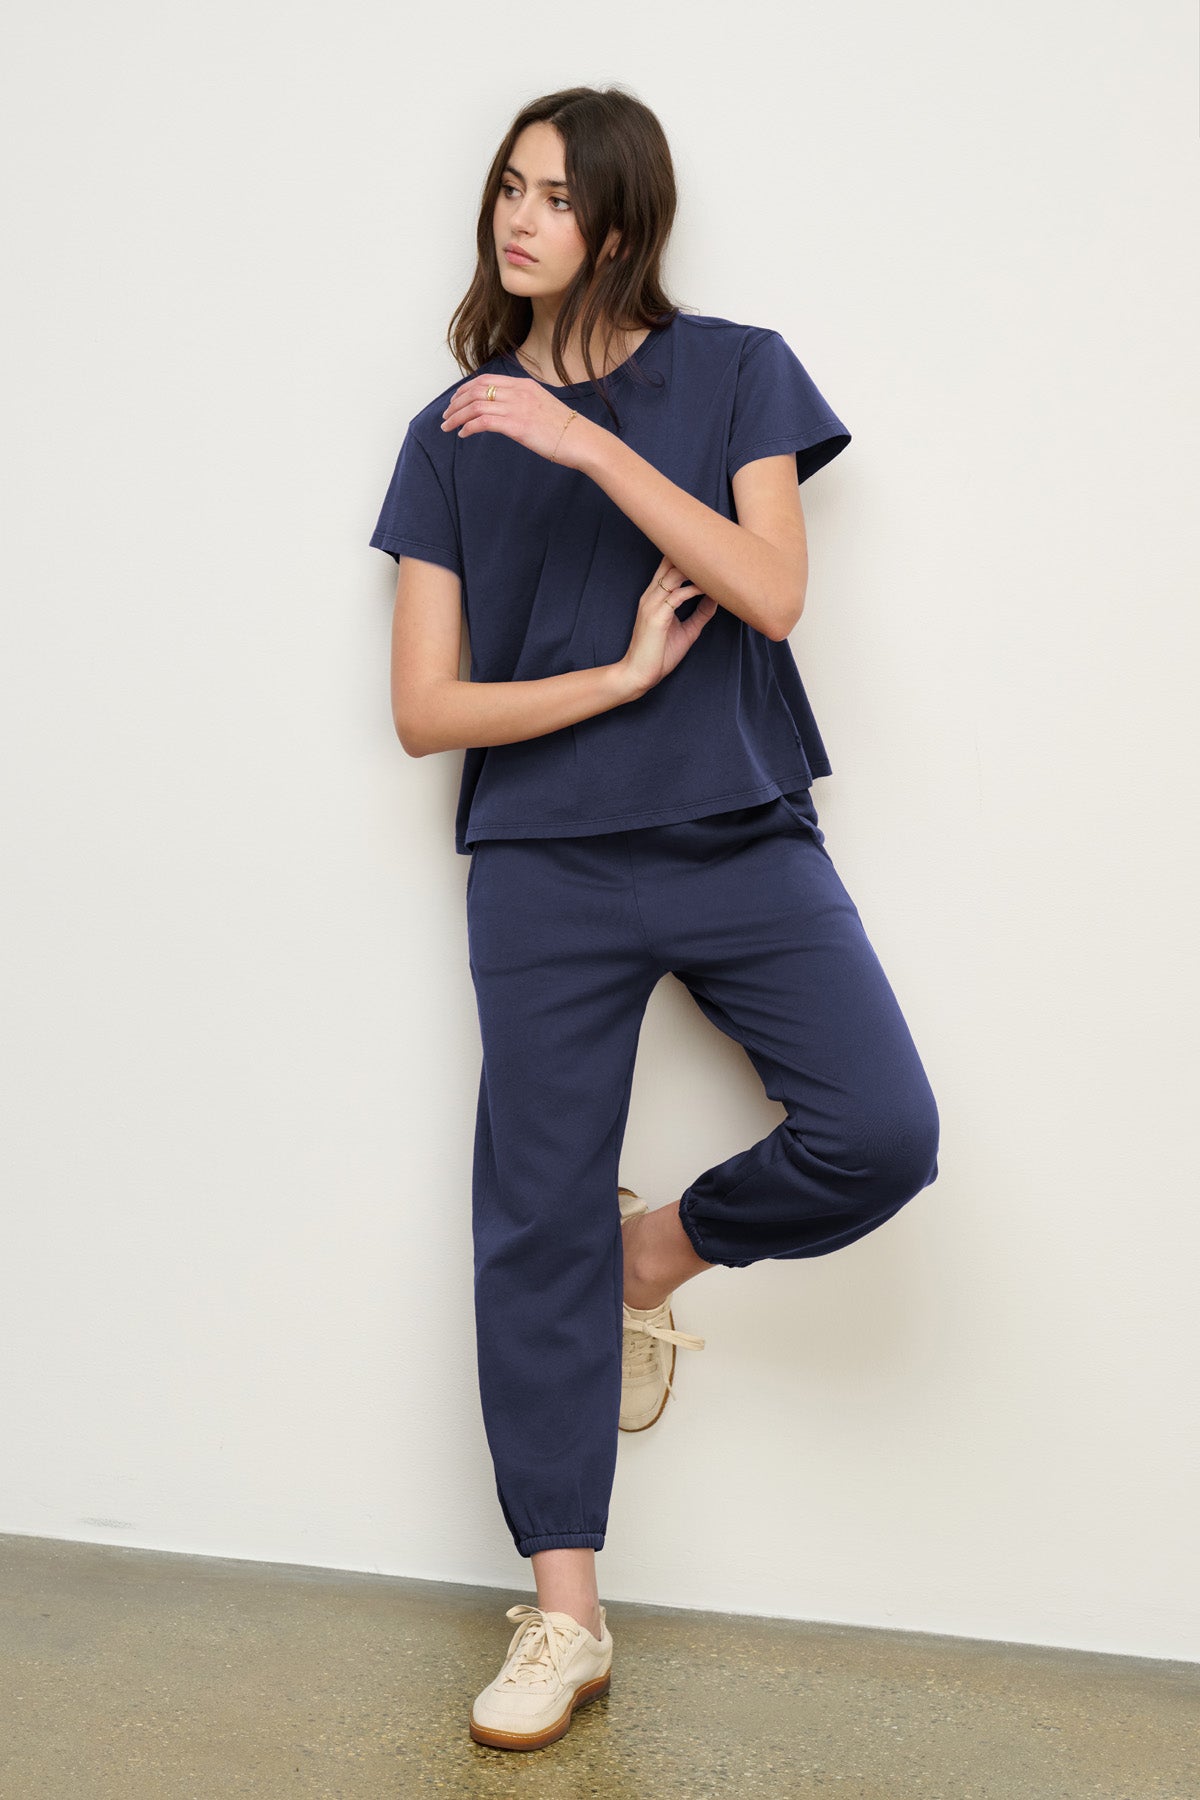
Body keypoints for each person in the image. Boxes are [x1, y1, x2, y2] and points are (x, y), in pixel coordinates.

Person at [369, 84, 941, 1753]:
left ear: (622, 223)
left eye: (555, 196)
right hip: (545, 859)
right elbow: (424, 709)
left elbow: (770, 590)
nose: (520, 220)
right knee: (523, 1213)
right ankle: (566, 1619)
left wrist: (589, 441)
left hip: (738, 826)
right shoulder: (445, 428)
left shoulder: (738, 369)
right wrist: (613, 674)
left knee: (883, 1129)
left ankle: (651, 1253)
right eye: (507, 190)